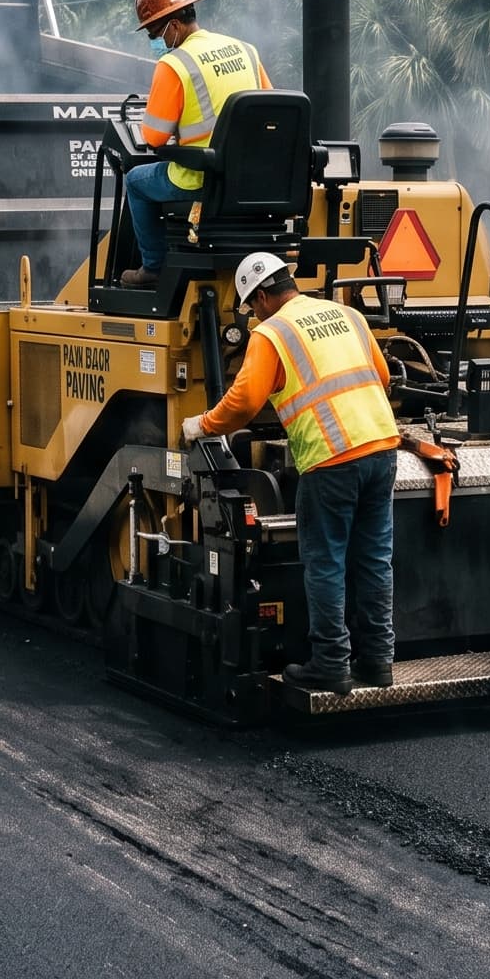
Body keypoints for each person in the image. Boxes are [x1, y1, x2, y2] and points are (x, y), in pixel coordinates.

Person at [182, 251, 398, 694]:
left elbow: (243, 403)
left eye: (251, 306)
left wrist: (200, 424)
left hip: (332, 459)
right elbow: (382, 376)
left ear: (262, 296)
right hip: (381, 447)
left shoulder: (271, 333)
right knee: (375, 559)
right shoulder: (347, 313)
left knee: (326, 563)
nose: (252, 315)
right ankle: (377, 661)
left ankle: (331, 664)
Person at [119, 0, 271, 288]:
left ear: (173, 26)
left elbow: (154, 138)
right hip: (251, 180)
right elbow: (270, 107)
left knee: (135, 181)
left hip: (199, 180)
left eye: (153, 33)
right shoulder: (246, 50)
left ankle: (153, 268)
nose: (154, 41)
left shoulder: (174, 64)